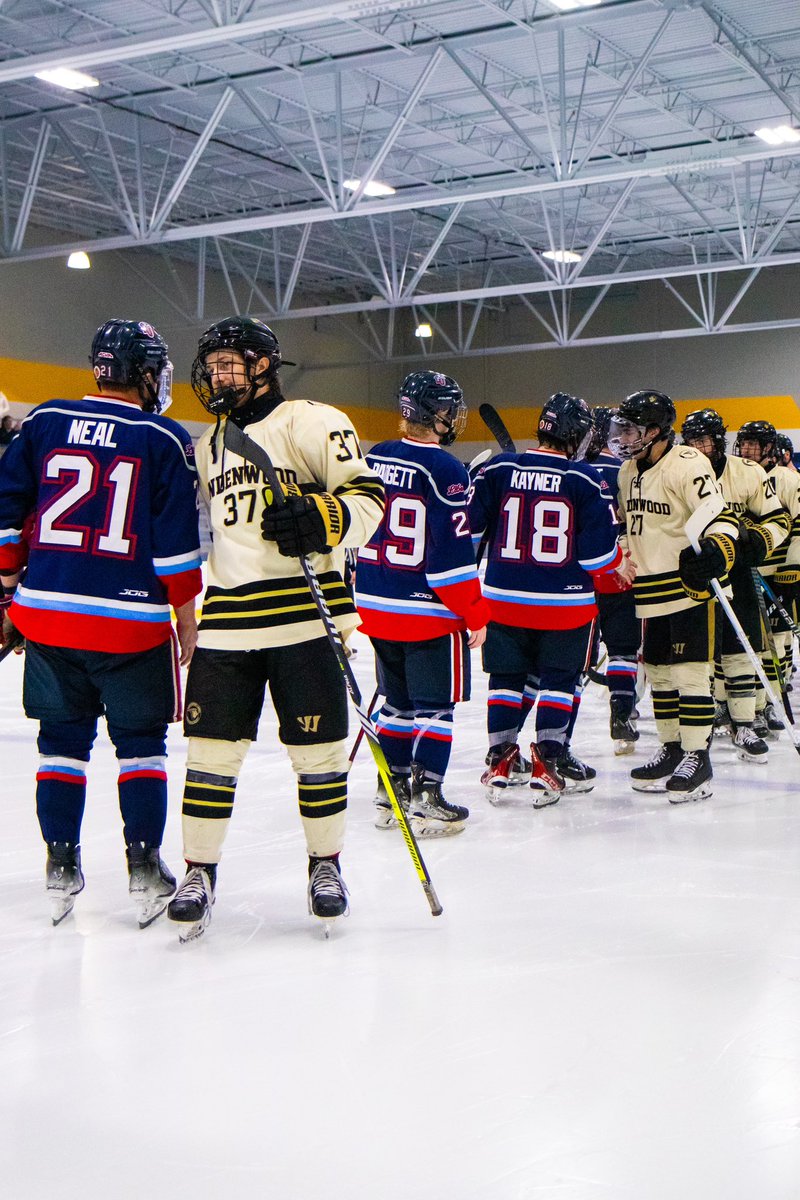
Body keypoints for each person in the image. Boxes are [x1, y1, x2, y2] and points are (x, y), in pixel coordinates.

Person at [167, 316, 384, 940]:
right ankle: (199, 872)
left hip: (305, 617)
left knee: (319, 757)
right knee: (209, 757)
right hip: (228, 620)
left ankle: (326, 865)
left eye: (228, 363)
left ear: (263, 365)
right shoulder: (208, 443)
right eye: (211, 365)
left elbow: (369, 499)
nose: (215, 376)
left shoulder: (314, 421)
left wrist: (323, 517)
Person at [0, 319, 202, 926]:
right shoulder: (163, 437)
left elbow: (6, 514)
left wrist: (8, 593)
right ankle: (144, 868)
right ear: (143, 373)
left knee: (60, 745)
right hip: (130, 623)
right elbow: (174, 542)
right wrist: (186, 612)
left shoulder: (43, 420)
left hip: (49, 616)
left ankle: (60, 865)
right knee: (141, 747)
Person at [469, 392, 632, 806]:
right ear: (576, 435)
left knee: (506, 680)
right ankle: (548, 761)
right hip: (565, 606)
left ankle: (500, 759)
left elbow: (468, 530)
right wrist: (620, 562)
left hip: (503, 600)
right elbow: (596, 556)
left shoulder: (499, 469)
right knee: (560, 682)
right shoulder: (584, 479)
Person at [354, 370, 490, 836]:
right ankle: (427, 797)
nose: (453, 417)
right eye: (449, 409)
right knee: (435, 708)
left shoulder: (374, 456)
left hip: (376, 602)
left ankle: (389, 794)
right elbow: (449, 560)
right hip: (426, 611)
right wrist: (474, 612)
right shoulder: (445, 469)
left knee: (396, 704)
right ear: (435, 413)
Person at [609, 390, 739, 802]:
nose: (624, 437)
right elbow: (630, 526)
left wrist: (718, 549)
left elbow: (720, 517)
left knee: (690, 674)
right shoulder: (627, 471)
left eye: (631, 429)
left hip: (690, 588)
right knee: (660, 674)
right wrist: (622, 558)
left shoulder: (688, 463)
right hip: (650, 590)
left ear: (655, 431)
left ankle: (698, 757)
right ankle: (672, 749)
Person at [680, 409, 789, 761]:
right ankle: (701, 724)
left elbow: (779, 518)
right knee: (698, 658)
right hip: (694, 577)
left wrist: (760, 540)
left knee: (741, 652)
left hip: (737, 573)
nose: (698, 447)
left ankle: (744, 723)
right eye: (692, 441)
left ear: (718, 440)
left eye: (704, 440)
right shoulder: (677, 470)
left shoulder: (748, 472)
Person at [733, 421, 800, 735]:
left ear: (770, 448)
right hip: (746, 573)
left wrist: (792, 568)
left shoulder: (787, 479)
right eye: (744, 443)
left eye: (754, 444)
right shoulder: (738, 475)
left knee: (778, 642)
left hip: (777, 575)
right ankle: (754, 706)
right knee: (752, 644)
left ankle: (772, 700)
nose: (747, 450)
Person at [585, 405, 642, 753]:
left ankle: (554, 742)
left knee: (574, 661)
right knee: (623, 651)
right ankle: (622, 715)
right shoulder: (628, 471)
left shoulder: (574, 470)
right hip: (622, 572)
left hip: (580, 580)